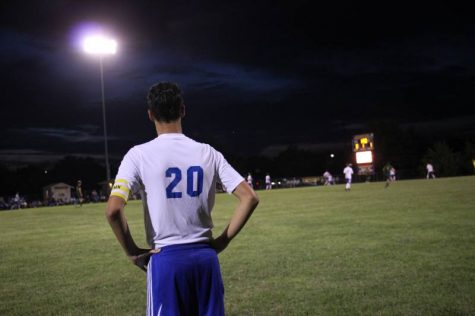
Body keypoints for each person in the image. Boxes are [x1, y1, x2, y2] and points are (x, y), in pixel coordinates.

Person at [106, 82, 259, 316]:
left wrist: (133, 252)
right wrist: (221, 242)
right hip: (206, 258)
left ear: (150, 114)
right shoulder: (208, 152)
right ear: (183, 110)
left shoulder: (138, 155)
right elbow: (249, 197)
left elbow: (113, 210)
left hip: (166, 260)